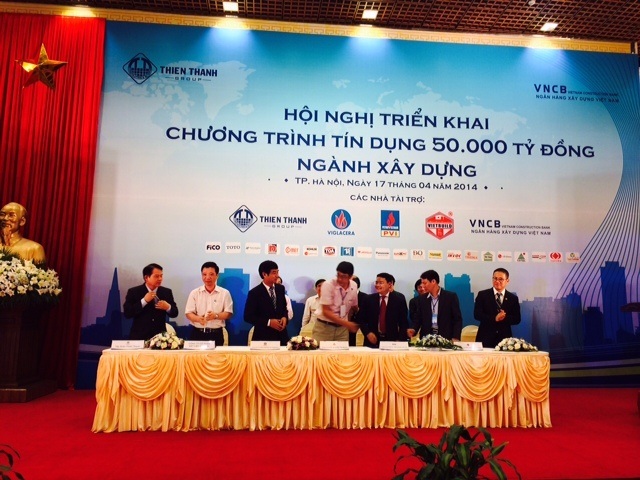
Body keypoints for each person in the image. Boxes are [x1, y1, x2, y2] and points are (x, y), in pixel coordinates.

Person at [123, 263, 179, 341]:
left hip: (160, 339)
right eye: (156, 276)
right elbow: (128, 313)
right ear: (146, 277)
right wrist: (144, 301)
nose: (160, 279)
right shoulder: (134, 292)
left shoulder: (166, 292)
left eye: (161, 276)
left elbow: (175, 313)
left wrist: (167, 307)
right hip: (139, 337)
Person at [185, 261, 233, 345]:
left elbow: (228, 313)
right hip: (197, 333)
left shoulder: (225, 293)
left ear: (217, 275)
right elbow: (188, 313)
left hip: (216, 334)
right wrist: (198, 319)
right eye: (204, 274)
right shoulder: (194, 293)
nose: (207, 277)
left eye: (211, 274)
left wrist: (216, 316)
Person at [408, 270, 463, 341]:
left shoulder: (450, 297)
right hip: (426, 339)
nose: (422, 286)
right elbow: (418, 318)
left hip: (446, 338)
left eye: (425, 283)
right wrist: (414, 329)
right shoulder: (422, 299)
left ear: (433, 281)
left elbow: (457, 319)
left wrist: (456, 337)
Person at [312, 261, 360, 342]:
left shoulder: (354, 286)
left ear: (351, 276)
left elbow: (354, 306)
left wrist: (359, 319)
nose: (340, 279)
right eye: (338, 275)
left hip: (342, 330)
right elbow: (326, 311)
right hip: (324, 327)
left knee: (342, 350)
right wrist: (347, 324)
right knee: (321, 350)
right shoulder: (328, 285)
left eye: (343, 276)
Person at [244, 260, 289, 345]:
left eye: (277, 272)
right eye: (274, 273)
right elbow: (248, 316)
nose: (277, 275)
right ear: (264, 274)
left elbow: (284, 309)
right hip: (263, 337)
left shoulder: (280, 289)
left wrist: (284, 317)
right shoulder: (254, 293)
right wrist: (269, 322)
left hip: (281, 336)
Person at [474, 267, 521, 348]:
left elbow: (517, 319)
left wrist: (504, 317)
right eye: (495, 278)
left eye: (501, 279)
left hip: (505, 340)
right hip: (485, 338)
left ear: (507, 281)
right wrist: (494, 318)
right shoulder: (483, 295)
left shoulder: (513, 298)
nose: (497, 281)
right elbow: (477, 315)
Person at [359, 272, 409, 348]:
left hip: (392, 340)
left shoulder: (398, 299)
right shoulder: (369, 299)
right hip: (372, 340)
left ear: (389, 284)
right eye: (376, 282)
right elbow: (361, 319)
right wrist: (367, 333)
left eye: (381, 283)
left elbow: (403, 322)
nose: (377, 285)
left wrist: (400, 339)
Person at [349, 275, 368, 346]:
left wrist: (357, 310)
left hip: (361, 328)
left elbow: (367, 315)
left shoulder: (366, 298)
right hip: (346, 328)